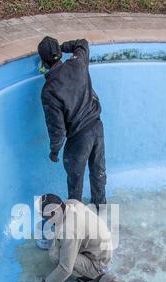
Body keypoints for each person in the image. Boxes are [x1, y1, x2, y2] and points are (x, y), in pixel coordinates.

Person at [38, 36, 107, 209]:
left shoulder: (49, 91)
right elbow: (83, 43)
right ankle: (101, 209)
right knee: (98, 172)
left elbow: (57, 130)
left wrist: (55, 151)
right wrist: (62, 47)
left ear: (42, 62)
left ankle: (75, 220)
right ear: (60, 55)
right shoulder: (77, 63)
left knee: (75, 183)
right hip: (97, 127)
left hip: (79, 139)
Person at [31, 194, 113, 282]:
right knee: (60, 245)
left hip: (99, 264)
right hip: (98, 249)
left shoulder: (68, 230)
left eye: (43, 216)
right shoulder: (72, 203)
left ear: (54, 213)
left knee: (56, 255)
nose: (44, 219)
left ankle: (88, 279)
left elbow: (66, 268)